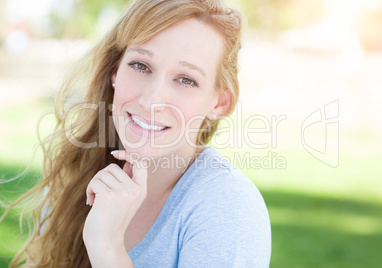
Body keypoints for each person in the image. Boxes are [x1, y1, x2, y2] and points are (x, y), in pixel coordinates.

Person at [8, 0, 271, 267]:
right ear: (115, 71)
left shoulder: (227, 207)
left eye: (186, 80)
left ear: (219, 103)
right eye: (141, 66)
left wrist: (108, 249)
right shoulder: (77, 179)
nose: (152, 99)